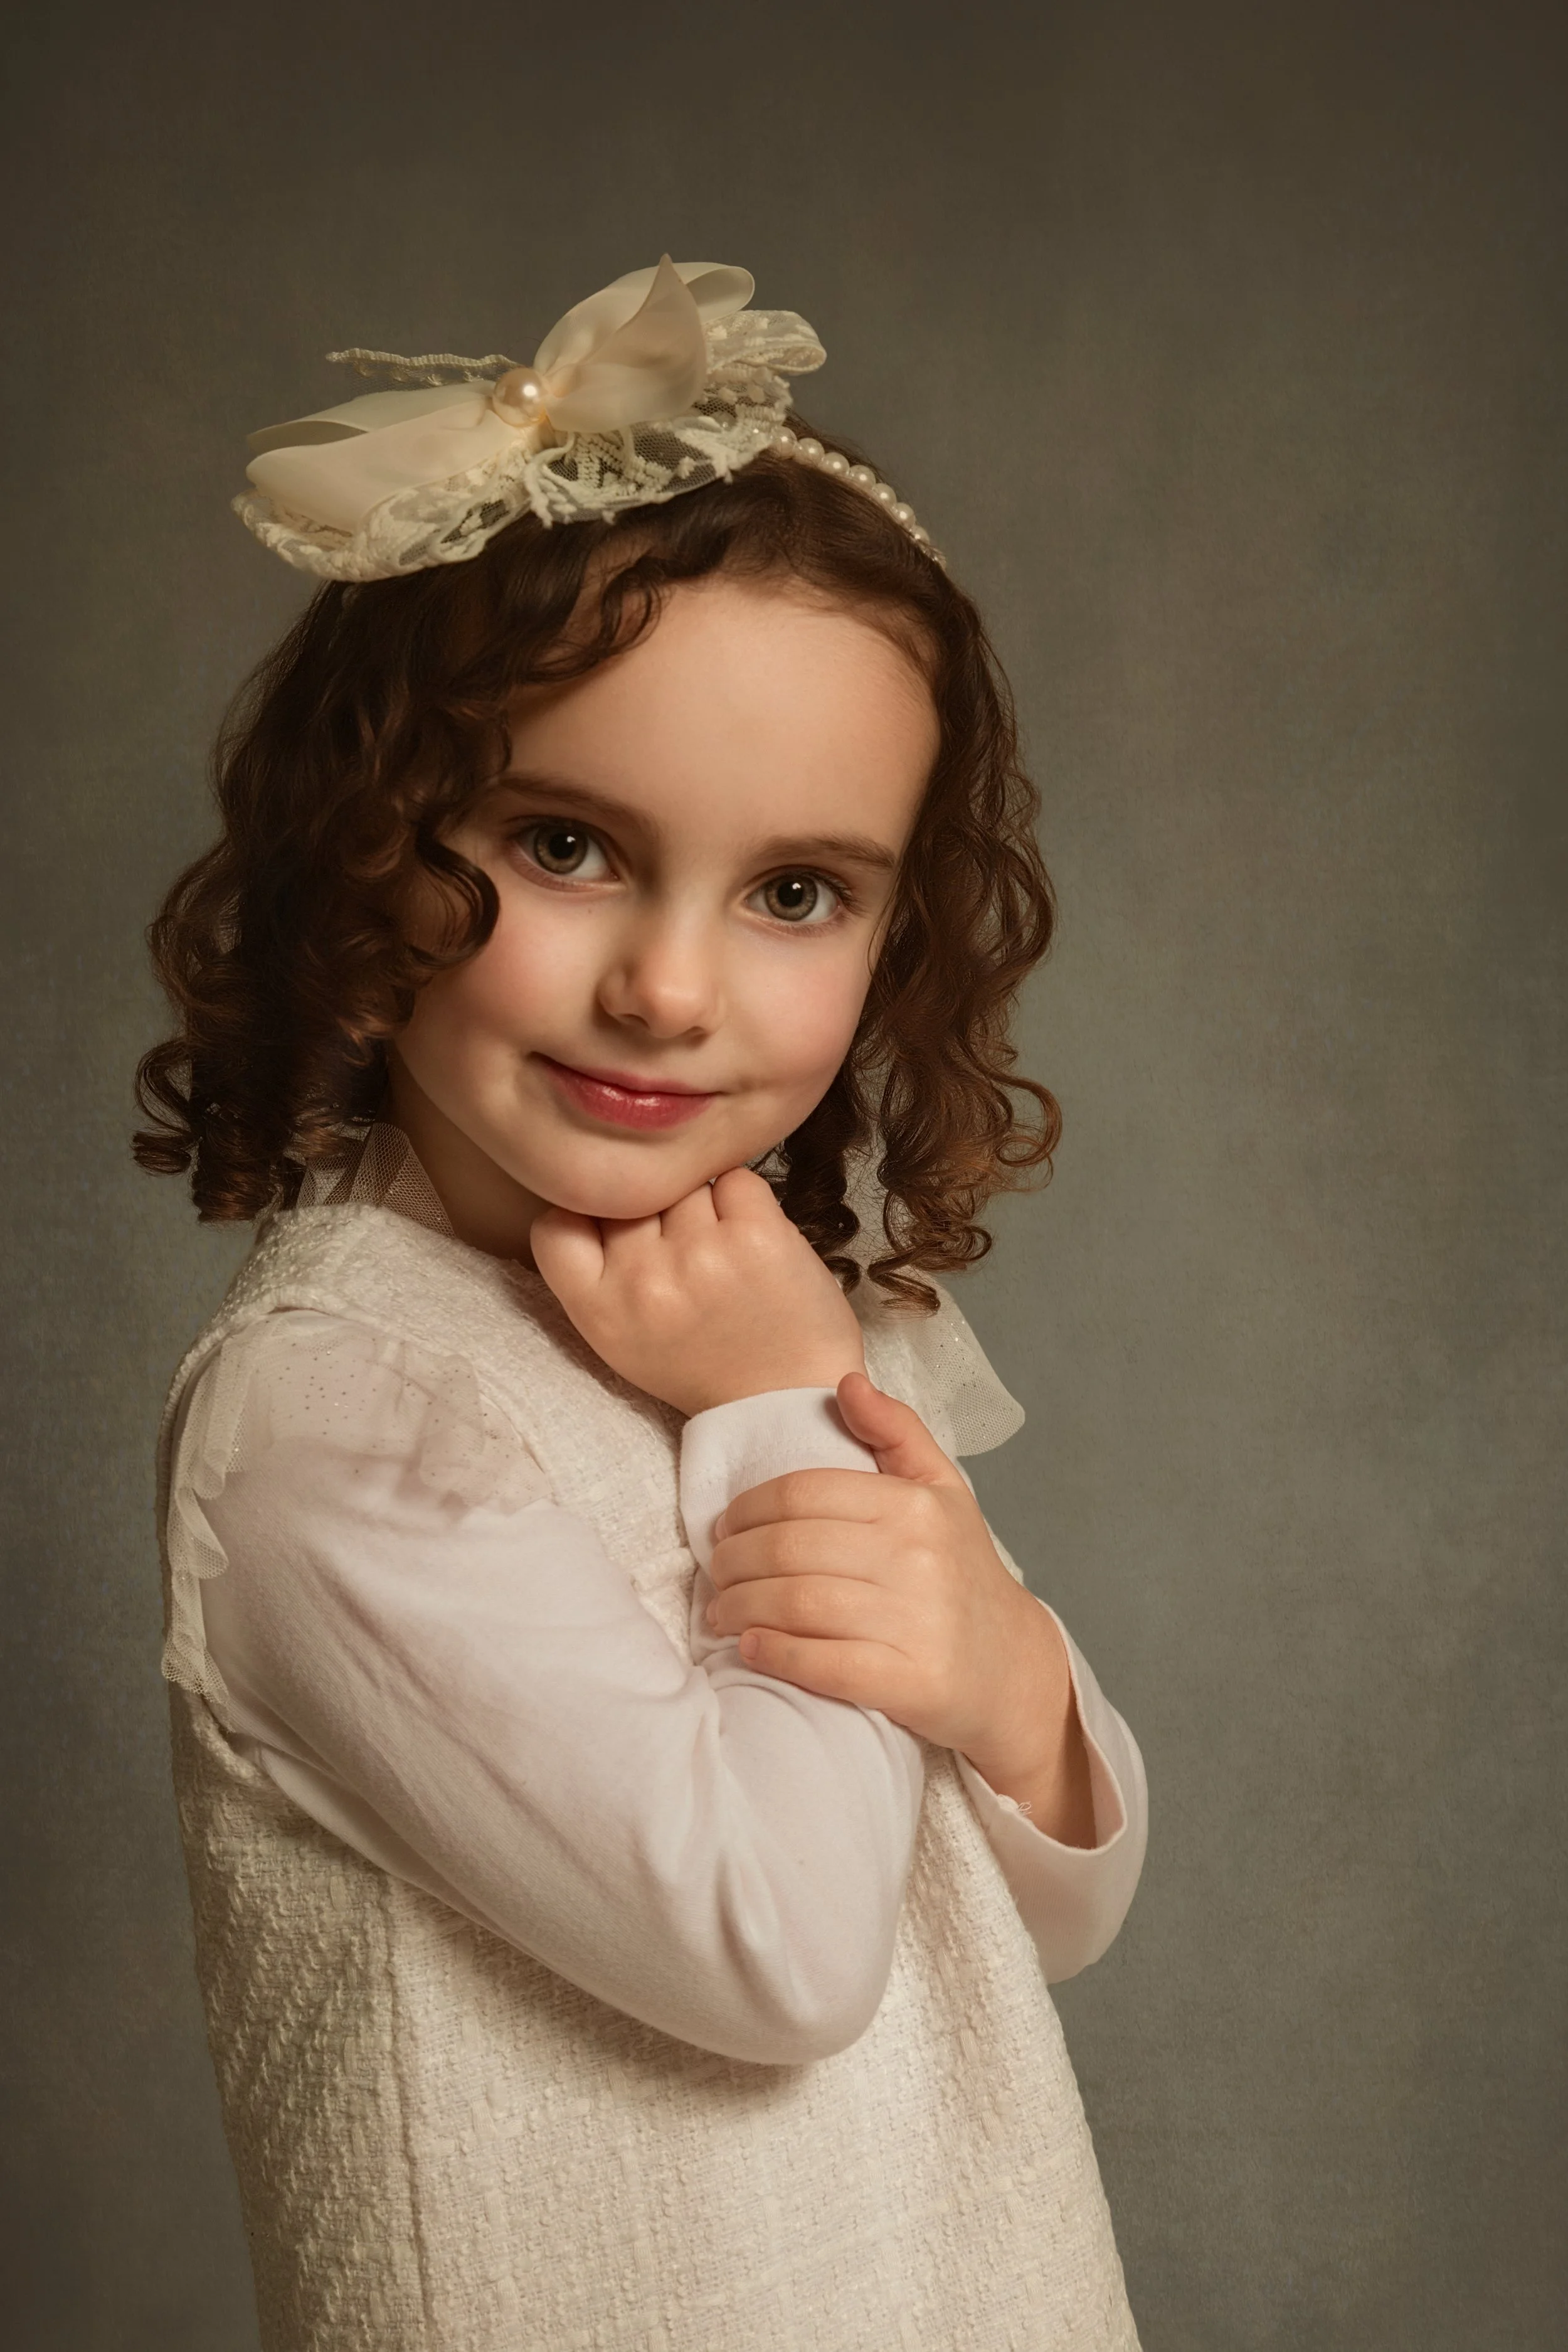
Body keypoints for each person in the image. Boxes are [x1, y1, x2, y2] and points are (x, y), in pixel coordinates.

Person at [137, 256, 1148, 2349]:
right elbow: (776, 1947)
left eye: (795, 891)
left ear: (893, 935)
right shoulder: (342, 1411)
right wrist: (777, 1407)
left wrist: (1009, 1684)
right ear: (369, 843)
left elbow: (1030, 1904)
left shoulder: (773, 1317)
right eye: (569, 841)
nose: (671, 989)